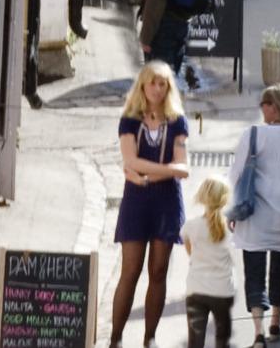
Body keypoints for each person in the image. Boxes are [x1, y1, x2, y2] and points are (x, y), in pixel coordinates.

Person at [112, 61, 192, 348]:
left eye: (163, 84)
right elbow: (130, 160)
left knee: (158, 271)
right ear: (142, 86)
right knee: (130, 270)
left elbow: (184, 168)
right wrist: (167, 170)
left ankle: (149, 338)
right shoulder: (130, 120)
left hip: (166, 202)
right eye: (152, 83)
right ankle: (116, 339)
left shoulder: (177, 121)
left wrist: (146, 175)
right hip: (137, 202)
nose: (157, 89)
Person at [227, 86, 280, 346]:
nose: (261, 107)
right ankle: (275, 321)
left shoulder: (252, 135)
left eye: (265, 103)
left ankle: (258, 332)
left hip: (254, 217)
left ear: (274, 107)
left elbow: (236, 174)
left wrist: (231, 208)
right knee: (278, 272)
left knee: (254, 273)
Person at [183, 177, 239, 348]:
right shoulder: (231, 230)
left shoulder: (190, 226)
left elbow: (190, 253)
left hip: (196, 289)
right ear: (225, 199)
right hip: (222, 291)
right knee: (222, 340)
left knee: (195, 341)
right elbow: (236, 260)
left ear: (202, 197)